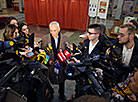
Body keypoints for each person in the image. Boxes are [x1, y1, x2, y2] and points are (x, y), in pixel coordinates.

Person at [41, 21, 68, 101]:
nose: (53, 33)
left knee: (62, 80)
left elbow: (67, 51)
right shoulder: (45, 39)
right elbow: (43, 52)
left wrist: (60, 60)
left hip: (61, 64)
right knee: (48, 79)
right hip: (50, 64)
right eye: (51, 30)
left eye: (55, 30)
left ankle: (61, 94)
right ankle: (50, 93)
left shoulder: (65, 38)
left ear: (59, 29)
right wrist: (48, 60)